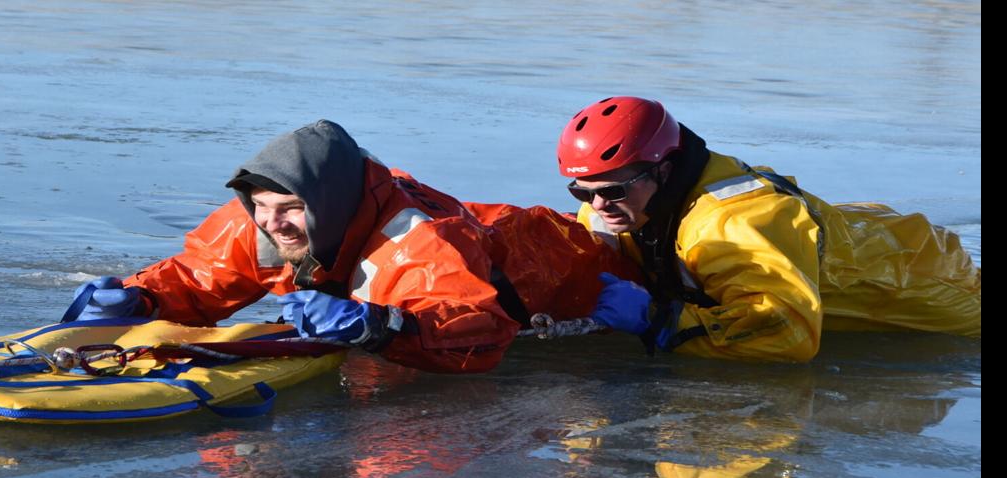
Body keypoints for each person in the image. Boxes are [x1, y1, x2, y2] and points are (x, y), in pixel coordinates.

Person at [71, 120, 635, 374]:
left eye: (291, 210)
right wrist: (143, 299)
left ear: (330, 203)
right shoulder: (266, 214)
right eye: (261, 209)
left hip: (565, 263)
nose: (274, 225)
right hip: (481, 231)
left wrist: (381, 327)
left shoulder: (420, 241)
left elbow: (479, 330)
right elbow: (202, 274)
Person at [561, 98, 982, 362]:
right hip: (850, 231)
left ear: (665, 169)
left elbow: (787, 331)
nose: (598, 206)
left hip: (922, 277)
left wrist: (659, 321)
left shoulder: (737, 226)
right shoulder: (612, 208)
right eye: (582, 191)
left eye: (614, 190)